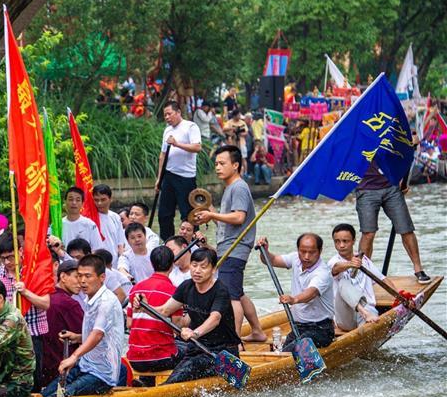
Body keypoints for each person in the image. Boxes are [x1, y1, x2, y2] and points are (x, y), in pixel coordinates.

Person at [133, 248, 241, 384]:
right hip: (196, 347)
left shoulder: (220, 290)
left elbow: (215, 319)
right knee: (174, 348)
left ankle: (162, 391)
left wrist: (194, 333)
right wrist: (145, 307)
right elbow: (165, 311)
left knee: (189, 368)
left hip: (222, 351)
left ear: (213, 269)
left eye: (203, 267)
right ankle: (147, 382)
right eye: (194, 265)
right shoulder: (186, 286)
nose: (197, 270)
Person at [194, 146, 266, 342]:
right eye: (216, 163)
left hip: (235, 248)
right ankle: (257, 331)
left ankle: (232, 340)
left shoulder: (238, 187)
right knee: (238, 292)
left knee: (230, 296)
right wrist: (209, 211)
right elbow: (227, 221)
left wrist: (212, 214)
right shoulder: (230, 188)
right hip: (229, 247)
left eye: (222, 163)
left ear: (235, 165)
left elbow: (239, 217)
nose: (218, 167)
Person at [43, 255, 124, 397]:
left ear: (102, 277)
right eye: (79, 276)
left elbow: (98, 334)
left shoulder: (106, 302)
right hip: (85, 365)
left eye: (88, 276)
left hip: (102, 374)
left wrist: (74, 356)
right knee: (46, 394)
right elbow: (99, 334)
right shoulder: (90, 298)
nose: (82, 281)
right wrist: (77, 337)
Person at [256, 234, 335, 350]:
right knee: (283, 352)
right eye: (303, 252)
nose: (306, 257)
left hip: (321, 330)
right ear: (298, 250)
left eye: (312, 252)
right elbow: (270, 260)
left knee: (289, 352)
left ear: (320, 251)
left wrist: (294, 299)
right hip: (298, 327)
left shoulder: (323, 272)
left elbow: (311, 293)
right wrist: (265, 251)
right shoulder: (295, 259)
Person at [355, 161, 430, 283]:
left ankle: (418, 268)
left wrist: (403, 181)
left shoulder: (389, 141)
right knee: (368, 233)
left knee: (406, 229)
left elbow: (404, 152)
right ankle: (363, 272)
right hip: (365, 189)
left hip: (391, 187)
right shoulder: (357, 142)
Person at [0, 233, 49, 391]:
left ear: (20, 251)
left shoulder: (35, 271)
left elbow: (45, 304)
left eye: (11, 256)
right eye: (3, 258)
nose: (7, 262)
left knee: (33, 379)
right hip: (8, 336)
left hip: (32, 334)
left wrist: (26, 292)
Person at [126, 247, 183, 374]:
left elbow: (129, 324)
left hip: (135, 359)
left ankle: (145, 381)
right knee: (189, 350)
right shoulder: (174, 292)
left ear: (152, 264)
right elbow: (177, 327)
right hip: (162, 358)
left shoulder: (136, 288)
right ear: (172, 265)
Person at [328, 224, 396, 331]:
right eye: (337, 241)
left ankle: (366, 320)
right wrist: (350, 264)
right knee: (343, 282)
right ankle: (365, 314)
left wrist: (400, 297)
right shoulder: (333, 261)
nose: (341, 245)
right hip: (346, 318)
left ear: (353, 241)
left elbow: (383, 279)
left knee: (368, 326)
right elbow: (335, 268)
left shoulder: (364, 261)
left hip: (368, 309)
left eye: (345, 241)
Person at [156, 101, 202, 241]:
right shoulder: (167, 130)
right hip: (169, 176)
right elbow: (162, 155)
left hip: (185, 177)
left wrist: (176, 144)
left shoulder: (190, 126)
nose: (167, 117)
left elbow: (197, 147)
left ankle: (193, 243)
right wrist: (159, 178)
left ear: (178, 112)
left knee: (188, 214)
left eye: (169, 114)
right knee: (164, 213)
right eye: (165, 115)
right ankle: (168, 243)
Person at [43, 260, 85, 386]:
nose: (81, 281)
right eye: (77, 276)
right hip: (64, 369)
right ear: (63, 277)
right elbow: (89, 338)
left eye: (84, 277)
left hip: (43, 368)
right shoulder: (69, 304)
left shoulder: (44, 298)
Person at [92, 184, 127, 268]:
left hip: (114, 263)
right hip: (96, 263)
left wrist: (121, 263)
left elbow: (120, 243)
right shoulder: (91, 218)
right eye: (96, 200)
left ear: (110, 199)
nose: (99, 203)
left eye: (103, 199)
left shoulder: (116, 217)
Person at [61, 186, 104, 251]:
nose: (74, 203)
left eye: (78, 200)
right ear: (65, 202)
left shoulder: (90, 225)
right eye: (70, 199)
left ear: (82, 203)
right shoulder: (58, 225)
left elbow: (97, 249)